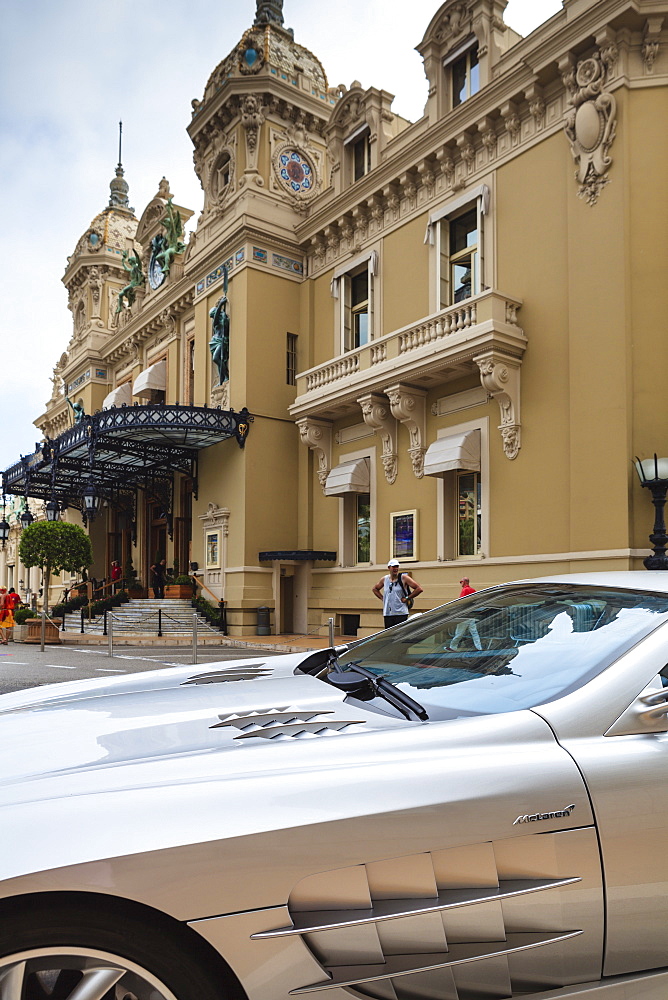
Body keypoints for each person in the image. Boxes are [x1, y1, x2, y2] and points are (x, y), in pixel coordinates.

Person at [372, 559, 423, 630]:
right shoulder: (385, 579)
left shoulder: (403, 578)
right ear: (389, 568)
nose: (395, 569)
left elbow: (419, 589)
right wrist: (383, 598)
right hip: (388, 613)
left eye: (397, 567)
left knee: (400, 635)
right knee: (389, 635)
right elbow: (375, 589)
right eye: (393, 567)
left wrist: (407, 598)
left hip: (401, 613)